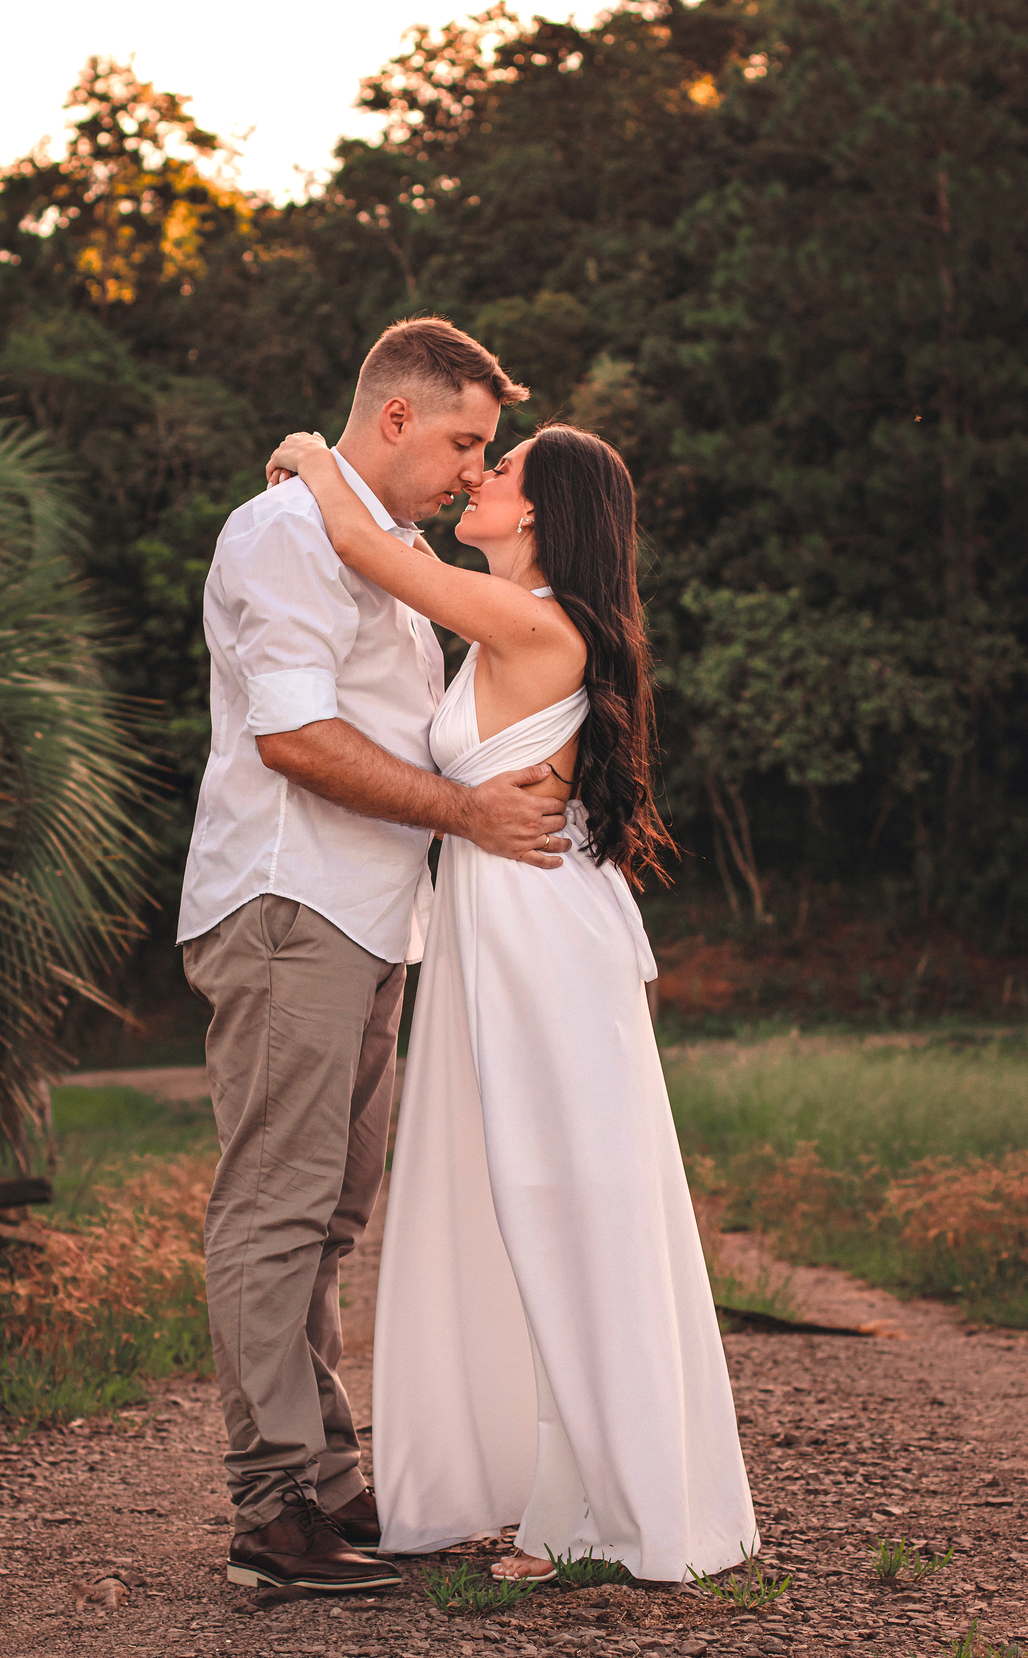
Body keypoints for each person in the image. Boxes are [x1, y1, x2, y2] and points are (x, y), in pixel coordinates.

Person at [264, 422, 757, 1583]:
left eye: (502, 467)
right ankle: (560, 1491)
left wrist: (307, 448)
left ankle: (613, 1498)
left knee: (564, 1199)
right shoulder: (501, 630)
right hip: (497, 932)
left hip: (544, 942)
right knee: (511, 1198)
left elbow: (378, 556)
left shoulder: (537, 624)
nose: (481, 479)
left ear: (536, 513)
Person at [177, 318, 577, 1594]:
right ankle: (270, 1510)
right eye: (466, 440)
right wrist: (469, 815)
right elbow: (294, 738)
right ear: (396, 417)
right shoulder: (285, 531)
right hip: (289, 903)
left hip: (366, 918)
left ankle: (331, 1478)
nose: (476, 468)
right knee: (276, 1205)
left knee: (331, 1215)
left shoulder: (384, 549)